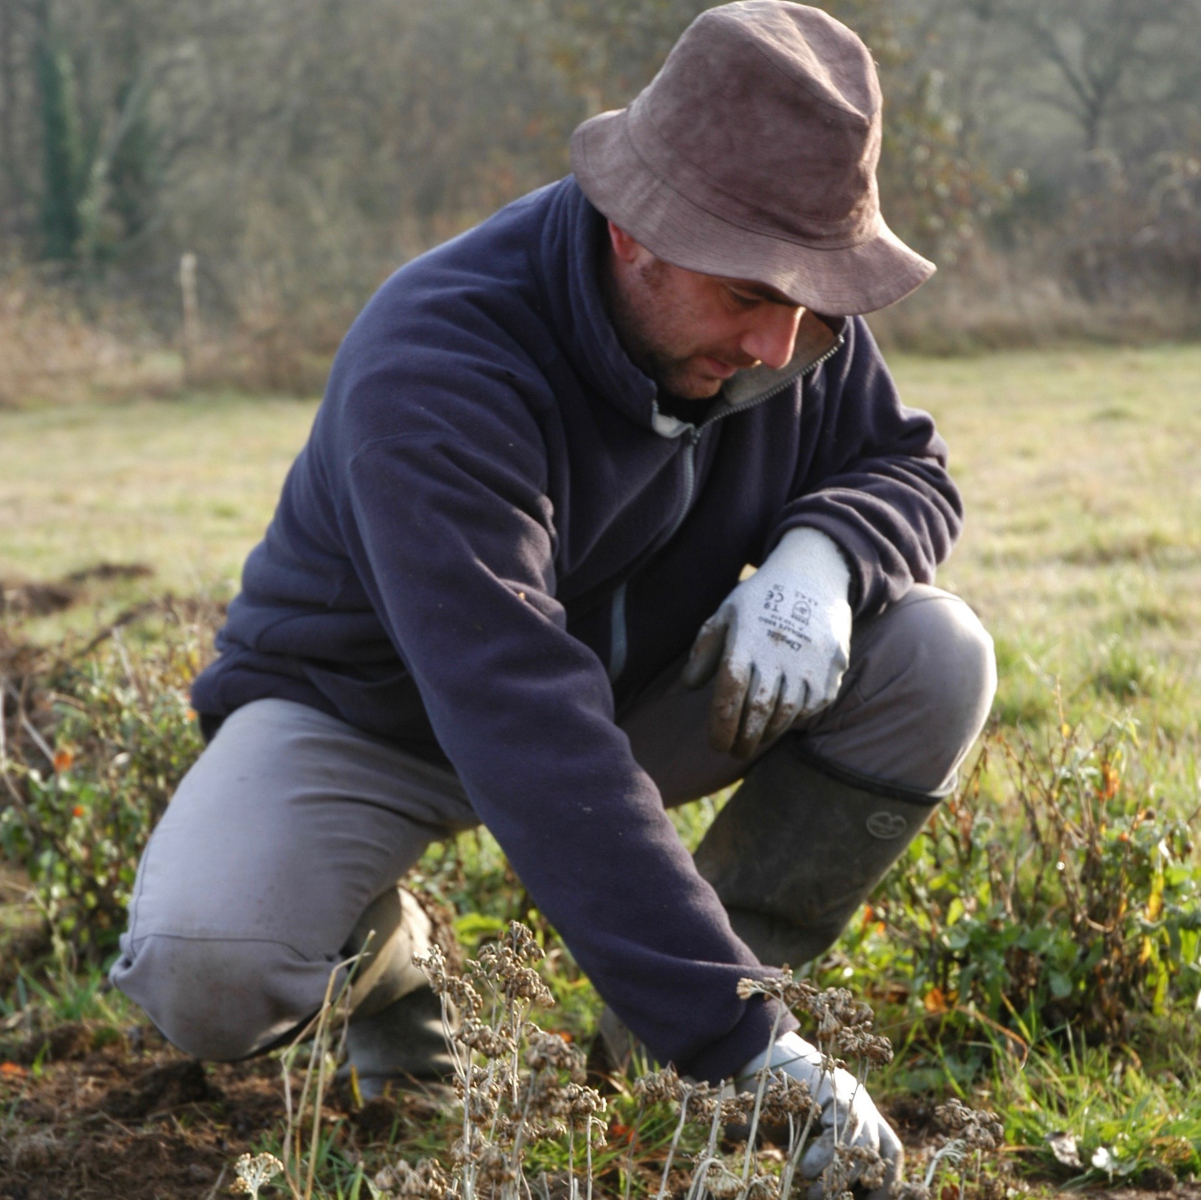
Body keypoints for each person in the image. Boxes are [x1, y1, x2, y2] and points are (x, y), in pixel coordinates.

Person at [111, 2, 995, 1194]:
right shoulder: (440, 361)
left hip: (632, 693)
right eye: (750, 296)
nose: (782, 345)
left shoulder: (791, 324)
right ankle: (403, 974)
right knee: (203, 970)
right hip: (373, 715)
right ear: (637, 232)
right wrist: (741, 1036)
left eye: (815, 298)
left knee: (936, 655)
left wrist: (825, 558)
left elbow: (905, 465)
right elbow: (520, 712)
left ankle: (656, 1049)